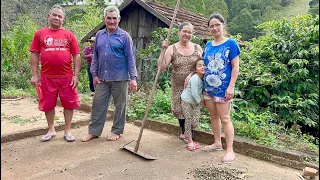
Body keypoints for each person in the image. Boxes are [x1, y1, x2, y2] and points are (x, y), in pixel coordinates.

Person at [81, 6, 138, 142]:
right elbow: (95, 56)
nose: (111, 21)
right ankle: (94, 131)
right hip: (102, 78)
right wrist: (94, 74)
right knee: (98, 104)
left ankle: (117, 130)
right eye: (109, 18)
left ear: (118, 19)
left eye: (114, 18)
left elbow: (130, 58)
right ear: (104, 19)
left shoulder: (124, 37)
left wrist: (133, 78)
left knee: (120, 105)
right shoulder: (99, 35)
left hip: (120, 77)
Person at [29, 4, 81, 142]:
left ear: (63, 20)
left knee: (69, 104)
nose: (57, 18)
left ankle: (67, 131)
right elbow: (34, 54)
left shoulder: (69, 35)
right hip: (47, 77)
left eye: (60, 16)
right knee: (48, 104)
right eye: (54, 15)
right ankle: (51, 129)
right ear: (49, 16)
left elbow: (76, 55)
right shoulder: (39, 34)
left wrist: (76, 75)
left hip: (67, 77)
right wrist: (35, 75)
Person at [201, 13, 240, 164]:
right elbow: (203, 65)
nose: (215, 28)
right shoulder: (208, 45)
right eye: (212, 26)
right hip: (208, 88)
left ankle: (230, 150)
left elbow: (235, 67)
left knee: (225, 118)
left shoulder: (231, 44)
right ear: (209, 29)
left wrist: (231, 87)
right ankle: (217, 143)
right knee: (214, 117)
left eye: (217, 25)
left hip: (224, 89)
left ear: (223, 25)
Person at [160, 22, 203, 143]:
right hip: (178, 86)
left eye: (190, 32)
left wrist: (192, 74)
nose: (187, 34)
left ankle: (188, 132)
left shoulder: (197, 48)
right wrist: (163, 50)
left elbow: (203, 65)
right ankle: (185, 133)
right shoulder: (171, 48)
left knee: (192, 108)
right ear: (179, 32)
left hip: (193, 85)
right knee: (180, 110)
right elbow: (161, 66)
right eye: (185, 31)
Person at [180, 58, 206, 151]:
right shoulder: (195, 78)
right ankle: (190, 141)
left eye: (204, 65)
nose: (202, 67)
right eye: (199, 66)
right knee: (188, 119)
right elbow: (195, 93)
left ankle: (187, 133)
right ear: (195, 69)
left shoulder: (204, 78)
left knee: (195, 122)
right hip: (186, 101)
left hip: (195, 102)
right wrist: (201, 102)